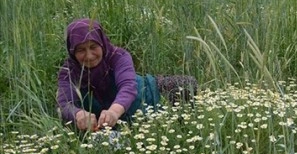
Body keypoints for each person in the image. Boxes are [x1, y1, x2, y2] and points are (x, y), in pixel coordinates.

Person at [57, 18, 197, 132]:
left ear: (102, 44)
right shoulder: (69, 71)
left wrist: (113, 112)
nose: (89, 56)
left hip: (140, 95)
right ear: (72, 51)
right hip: (99, 118)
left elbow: (128, 87)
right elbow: (65, 103)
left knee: (187, 84)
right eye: (81, 50)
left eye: (93, 47)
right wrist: (79, 114)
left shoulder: (118, 56)